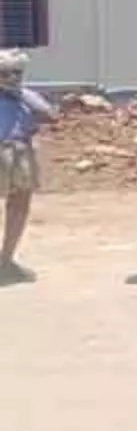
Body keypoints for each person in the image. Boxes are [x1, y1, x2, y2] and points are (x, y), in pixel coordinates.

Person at [0, 50, 55, 282]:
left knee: (19, 205)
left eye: (17, 72)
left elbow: (49, 115)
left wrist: (22, 96)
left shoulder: (26, 95)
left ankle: (6, 260)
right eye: (5, 73)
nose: (12, 77)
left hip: (21, 151)